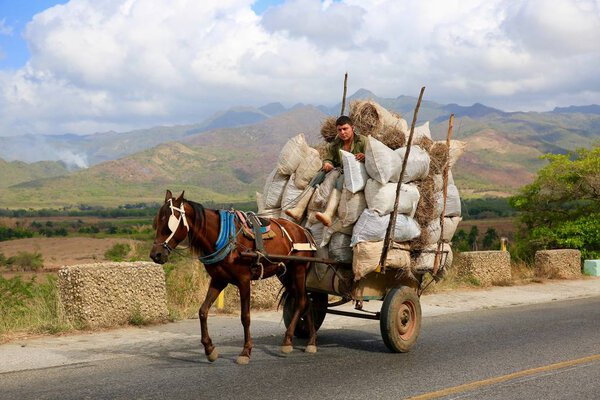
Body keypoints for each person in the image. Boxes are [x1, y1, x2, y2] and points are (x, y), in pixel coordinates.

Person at [285, 115, 367, 225]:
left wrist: (364, 156)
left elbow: (372, 158)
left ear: (352, 128)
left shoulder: (362, 141)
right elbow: (329, 158)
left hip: (356, 173)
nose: (342, 132)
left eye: (345, 129)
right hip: (339, 169)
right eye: (340, 130)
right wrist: (328, 163)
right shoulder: (336, 144)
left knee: (341, 179)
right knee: (320, 173)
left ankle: (328, 214)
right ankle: (299, 209)